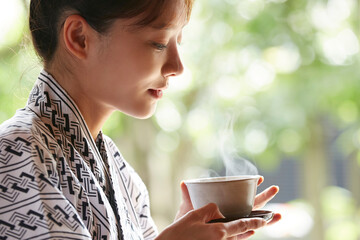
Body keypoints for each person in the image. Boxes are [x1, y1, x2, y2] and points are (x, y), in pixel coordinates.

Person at [0, 0, 281, 239]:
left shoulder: (123, 176)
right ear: (79, 38)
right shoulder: (19, 153)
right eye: (158, 43)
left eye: (178, 41)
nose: (178, 67)